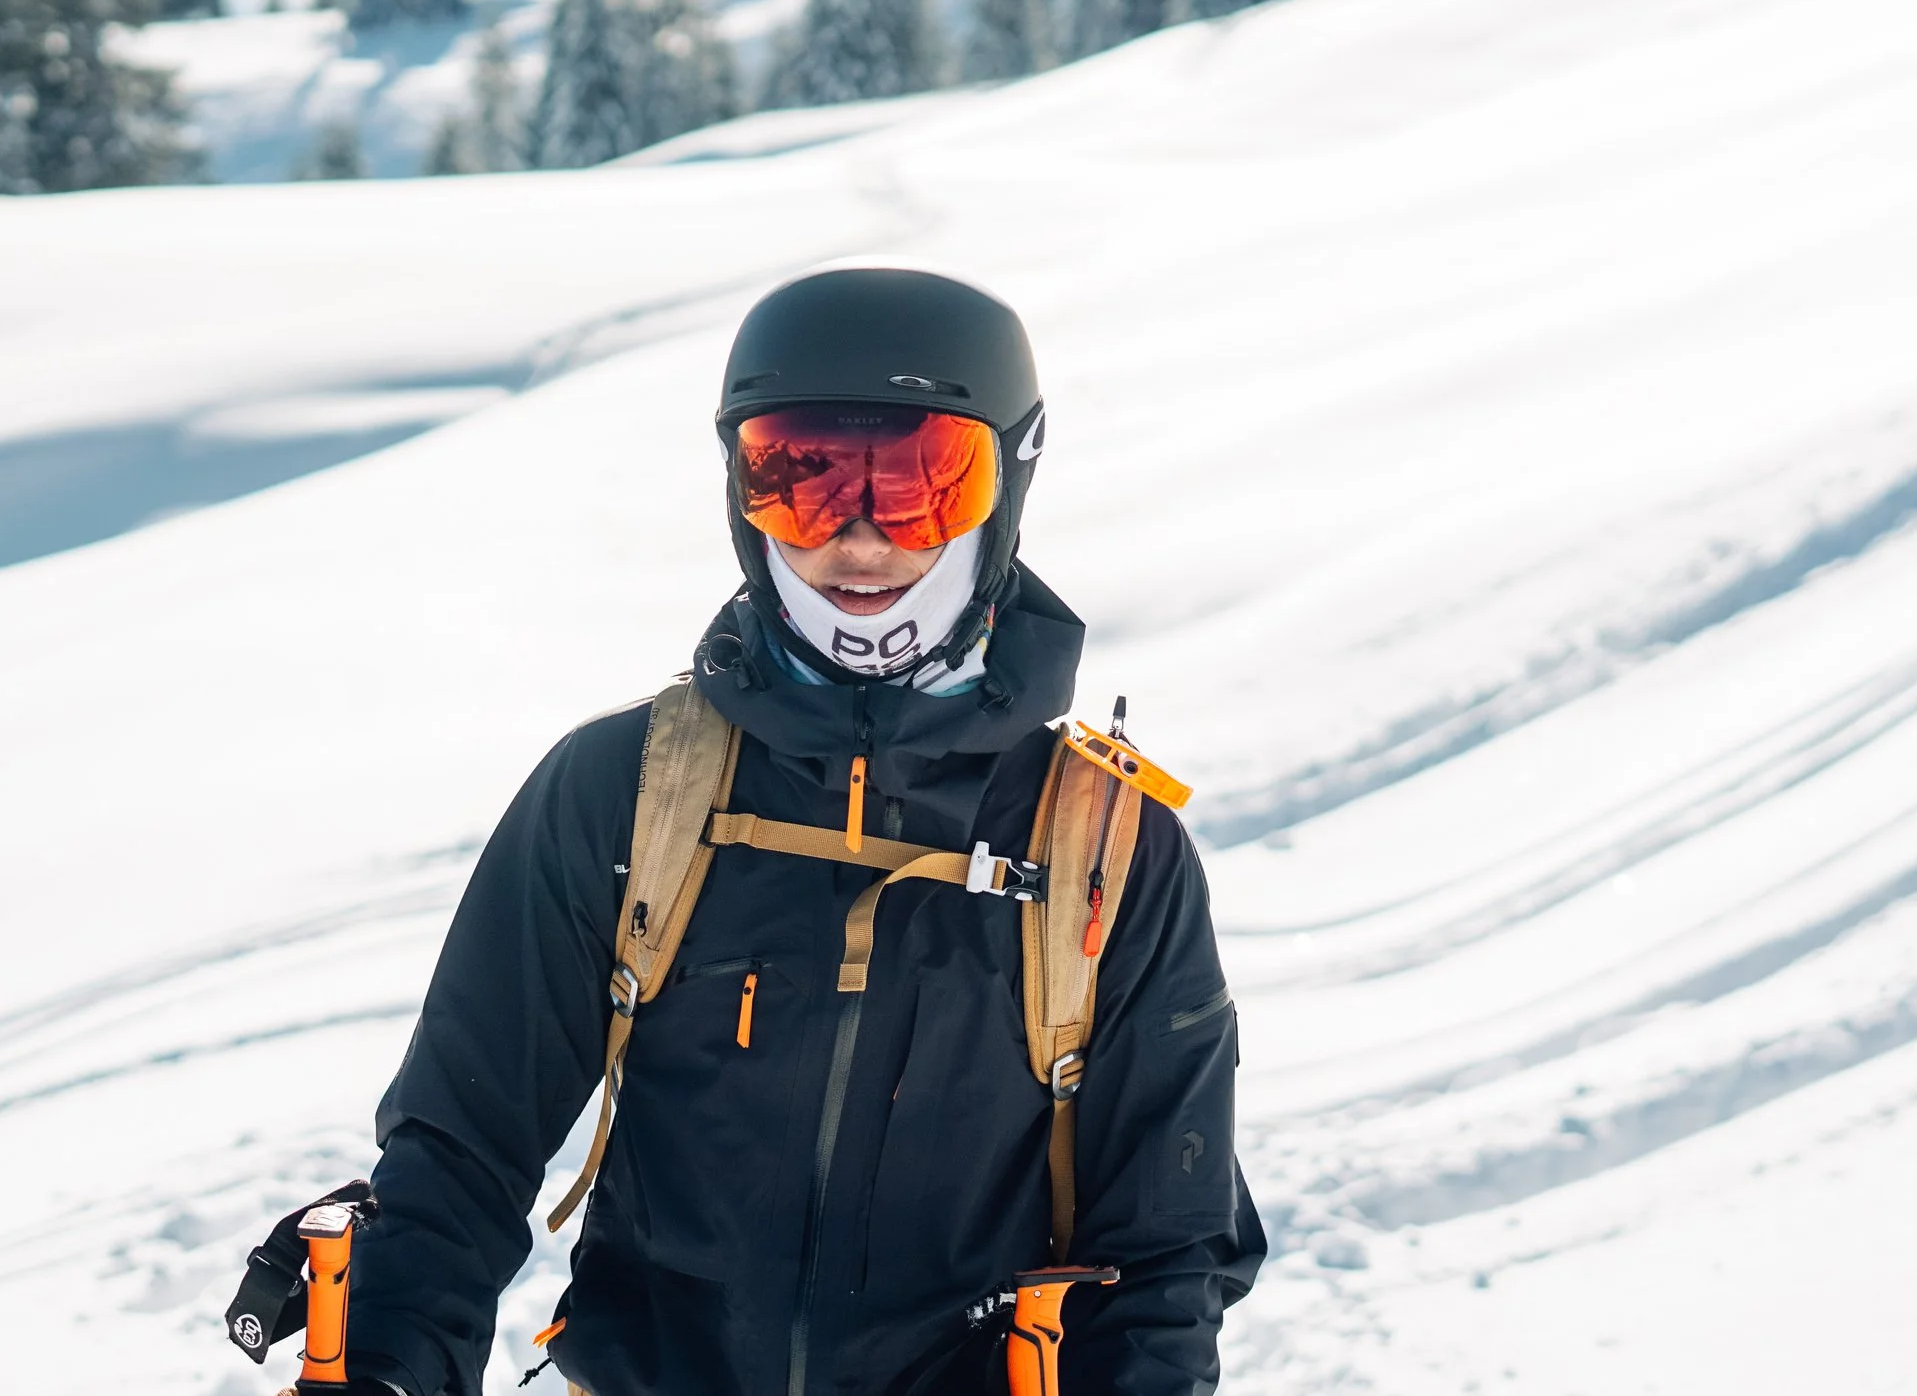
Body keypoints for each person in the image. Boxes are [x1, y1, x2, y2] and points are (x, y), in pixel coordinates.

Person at [335, 263, 1266, 1396]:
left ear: (1006, 482)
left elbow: (1165, 1248)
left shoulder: (1105, 846)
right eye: (803, 479)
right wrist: (386, 1364)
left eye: (920, 480)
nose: (859, 539)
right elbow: (458, 1146)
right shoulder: (623, 788)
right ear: (737, 488)